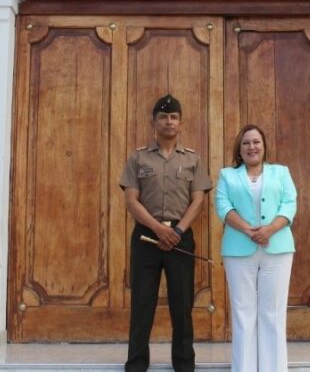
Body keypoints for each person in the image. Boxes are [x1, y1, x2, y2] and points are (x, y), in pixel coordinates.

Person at [120, 94, 211, 372]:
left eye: (173, 117)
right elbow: (131, 200)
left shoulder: (193, 160)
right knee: (142, 303)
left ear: (181, 123)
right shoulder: (138, 157)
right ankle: (136, 364)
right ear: (154, 122)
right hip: (147, 237)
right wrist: (158, 228)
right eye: (163, 117)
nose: (169, 121)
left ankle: (184, 365)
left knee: (181, 304)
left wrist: (178, 230)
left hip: (180, 238)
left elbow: (198, 199)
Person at [214, 124, 297, 372]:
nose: (252, 147)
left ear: (264, 146)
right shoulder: (227, 175)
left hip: (278, 249)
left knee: (272, 313)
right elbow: (222, 206)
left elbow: (290, 203)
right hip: (238, 250)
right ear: (239, 149)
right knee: (243, 313)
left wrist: (270, 229)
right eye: (246, 143)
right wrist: (248, 230)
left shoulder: (281, 172)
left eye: (256, 142)